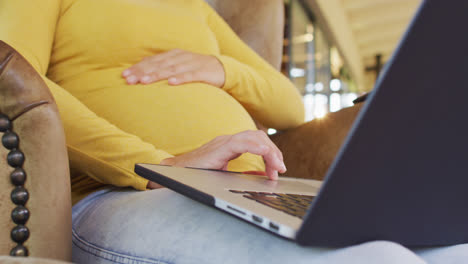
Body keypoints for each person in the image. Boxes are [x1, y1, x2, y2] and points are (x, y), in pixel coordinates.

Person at [1, 0, 466, 263]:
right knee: (381, 261)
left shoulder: (192, 10)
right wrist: (156, 165)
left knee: (454, 252)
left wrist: (222, 69)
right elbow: (14, 87)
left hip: (252, 190)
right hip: (121, 192)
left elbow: (288, 104)